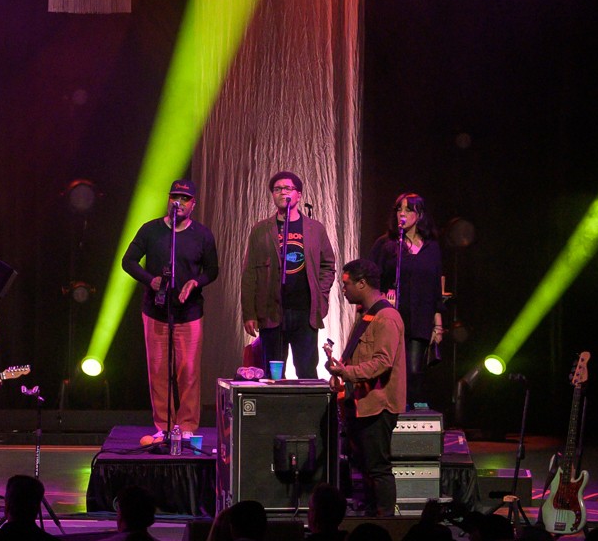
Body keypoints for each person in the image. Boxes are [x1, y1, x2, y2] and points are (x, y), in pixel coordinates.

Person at [120, 179, 219, 447]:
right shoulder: (151, 230)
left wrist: (195, 282)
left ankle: (186, 426)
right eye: (175, 197)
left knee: (187, 371)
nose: (179, 202)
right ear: (168, 199)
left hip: (189, 312)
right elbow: (127, 261)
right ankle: (164, 425)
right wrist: (149, 280)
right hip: (156, 311)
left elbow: (212, 270)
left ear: (193, 204)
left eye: (185, 198)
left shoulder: (202, 234)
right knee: (159, 371)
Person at [328, 259, 406, 517]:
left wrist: (347, 372)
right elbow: (361, 358)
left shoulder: (387, 317)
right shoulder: (366, 314)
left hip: (378, 405)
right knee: (364, 465)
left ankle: (385, 520)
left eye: (346, 284)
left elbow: (382, 362)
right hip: (361, 403)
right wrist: (340, 372)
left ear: (362, 283)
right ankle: (372, 513)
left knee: (378, 467)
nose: (343, 289)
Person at [242, 170, 335, 380]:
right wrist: (249, 313)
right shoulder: (261, 230)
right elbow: (249, 273)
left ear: (298, 194)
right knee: (273, 373)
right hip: (272, 311)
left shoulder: (314, 229)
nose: (283, 192)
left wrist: (321, 294)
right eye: (277, 189)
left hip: (304, 312)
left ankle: (307, 413)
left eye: (288, 188)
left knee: (307, 370)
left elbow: (328, 264)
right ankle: (276, 412)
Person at [372, 193, 448, 408]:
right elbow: (370, 277)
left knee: (414, 369)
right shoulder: (386, 244)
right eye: (399, 209)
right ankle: (390, 411)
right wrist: (383, 294)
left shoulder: (431, 247)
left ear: (419, 214)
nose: (402, 214)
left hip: (420, 317)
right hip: (391, 316)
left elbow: (435, 288)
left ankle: (410, 413)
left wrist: (438, 324)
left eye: (408, 210)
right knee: (390, 367)